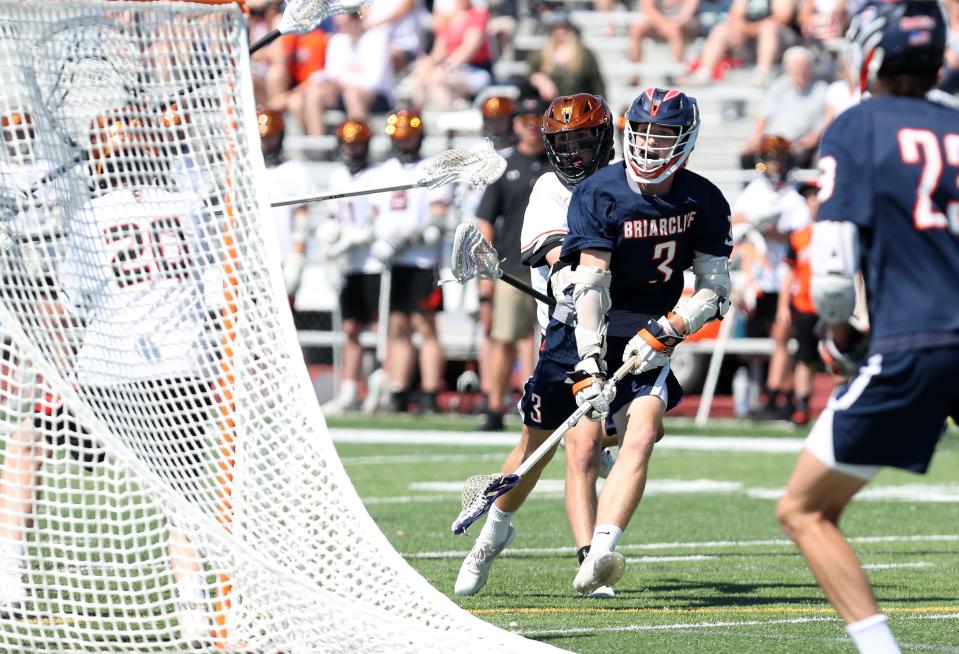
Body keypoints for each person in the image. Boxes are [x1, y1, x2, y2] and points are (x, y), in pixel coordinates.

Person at [776, 3, 959, 653]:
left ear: (870, 55)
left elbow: (830, 272)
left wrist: (838, 333)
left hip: (918, 338)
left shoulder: (857, 126)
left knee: (802, 509)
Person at [1, 106, 220, 641]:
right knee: (183, 495)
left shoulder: (90, 216)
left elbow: (72, 304)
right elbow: (212, 285)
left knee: (28, 441)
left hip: (109, 376)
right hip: (185, 370)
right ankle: (194, 613)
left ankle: (8, 579)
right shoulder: (189, 204)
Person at [561, 87, 732, 596]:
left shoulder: (702, 197)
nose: (651, 144)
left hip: (652, 331)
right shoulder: (600, 191)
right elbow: (589, 284)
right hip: (593, 324)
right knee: (586, 442)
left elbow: (714, 288)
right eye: (644, 131)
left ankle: (602, 553)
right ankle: (579, 547)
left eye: (664, 134)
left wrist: (671, 328)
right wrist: (590, 361)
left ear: (686, 139)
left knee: (643, 432)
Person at [455, 92, 617, 597]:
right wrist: (575, 277)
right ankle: (490, 536)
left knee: (595, 443)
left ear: (603, 140)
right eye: (563, 141)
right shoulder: (548, 188)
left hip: (621, 330)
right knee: (535, 449)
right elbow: (550, 251)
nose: (573, 151)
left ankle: (590, 561)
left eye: (584, 139)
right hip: (566, 336)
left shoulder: (623, 184)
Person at [366, 110, 451, 413]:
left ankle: (429, 391)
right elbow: (374, 215)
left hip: (421, 260)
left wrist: (410, 235)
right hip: (393, 261)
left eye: (410, 137)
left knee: (425, 326)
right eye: (401, 138)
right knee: (397, 326)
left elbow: (438, 215)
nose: (405, 143)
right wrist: (383, 238)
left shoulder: (432, 167)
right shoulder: (383, 171)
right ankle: (399, 389)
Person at [474, 97, 550, 431]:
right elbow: (486, 221)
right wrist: (486, 271)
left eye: (537, 119)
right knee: (504, 337)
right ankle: (495, 405)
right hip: (513, 264)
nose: (531, 125)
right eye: (525, 118)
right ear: (516, 123)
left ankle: (541, 405)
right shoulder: (504, 167)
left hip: (551, 264)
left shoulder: (557, 163)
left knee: (549, 339)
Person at [732, 135, 812, 420]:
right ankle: (760, 394)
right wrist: (755, 223)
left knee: (782, 337)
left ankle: (778, 395)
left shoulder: (792, 197)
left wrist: (773, 230)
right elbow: (736, 219)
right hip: (757, 278)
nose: (775, 165)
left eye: (779, 159)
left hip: (784, 278)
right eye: (771, 158)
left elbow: (801, 233)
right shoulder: (755, 190)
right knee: (755, 344)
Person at [319, 119, 379, 415]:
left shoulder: (376, 175)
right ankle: (349, 389)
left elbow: (379, 217)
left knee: (381, 329)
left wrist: (361, 235)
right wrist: (331, 235)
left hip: (374, 262)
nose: (352, 150)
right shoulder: (338, 177)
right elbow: (333, 214)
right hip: (349, 263)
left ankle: (383, 385)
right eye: (347, 144)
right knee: (351, 327)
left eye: (356, 144)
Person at [256, 108, 318, 304]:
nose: (266, 143)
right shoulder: (245, 172)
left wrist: (296, 258)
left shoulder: (295, 171)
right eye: (262, 138)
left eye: (271, 138)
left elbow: (302, 218)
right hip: (253, 259)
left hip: (283, 256)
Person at [739, 46, 828, 169]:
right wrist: (755, 138)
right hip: (772, 143)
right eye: (796, 67)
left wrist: (807, 141)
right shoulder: (778, 87)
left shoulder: (821, 90)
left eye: (803, 66)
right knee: (749, 157)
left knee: (795, 159)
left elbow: (821, 128)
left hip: (798, 146)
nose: (800, 71)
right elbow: (764, 116)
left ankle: (786, 183)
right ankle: (756, 183)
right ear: (788, 68)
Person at [776, 180, 819, 426]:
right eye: (810, 198)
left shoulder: (839, 232)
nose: (814, 203)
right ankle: (802, 404)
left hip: (835, 305)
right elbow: (789, 272)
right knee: (805, 356)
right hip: (805, 305)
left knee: (839, 357)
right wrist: (784, 305)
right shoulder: (800, 235)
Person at [527, 12, 606, 102]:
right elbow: (529, 73)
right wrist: (540, 80)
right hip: (548, 107)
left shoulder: (584, 54)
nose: (560, 32)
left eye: (564, 28)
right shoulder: (541, 53)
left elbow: (596, 82)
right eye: (556, 28)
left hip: (578, 107)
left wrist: (599, 104)